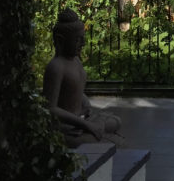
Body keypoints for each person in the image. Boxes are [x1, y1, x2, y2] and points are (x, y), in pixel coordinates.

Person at [43, 8, 123, 146]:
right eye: (77, 40)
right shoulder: (56, 67)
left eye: (83, 39)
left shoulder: (76, 61)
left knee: (115, 121)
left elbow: (74, 91)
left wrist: (84, 101)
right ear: (60, 40)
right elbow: (51, 109)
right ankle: (97, 134)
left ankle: (97, 133)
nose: (83, 43)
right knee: (93, 136)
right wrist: (84, 124)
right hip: (66, 126)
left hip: (81, 117)